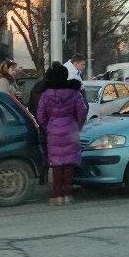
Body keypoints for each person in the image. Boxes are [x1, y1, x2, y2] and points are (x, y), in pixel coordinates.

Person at [36, 62, 88, 206]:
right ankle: (67, 195)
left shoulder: (46, 94)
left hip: (53, 132)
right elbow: (82, 112)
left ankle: (56, 195)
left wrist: (48, 128)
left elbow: (40, 116)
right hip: (71, 131)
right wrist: (77, 126)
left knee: (57, 165)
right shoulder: (75, 93)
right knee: (69, 164)